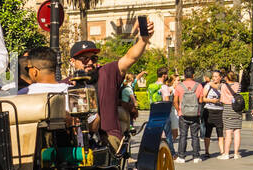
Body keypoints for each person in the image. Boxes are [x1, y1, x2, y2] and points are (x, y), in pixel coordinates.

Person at [67, 19, 153, 153]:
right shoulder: (65, 84)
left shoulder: (107, 72)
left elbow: (130, 58)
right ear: (73, 61)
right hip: (73, 139)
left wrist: (143, 40)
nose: (89, 62)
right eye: (84, 59)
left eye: (93, 59)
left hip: (108, 137)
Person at [175, 67, 205, 162]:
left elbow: (175, 101)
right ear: (193, 75)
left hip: (183, 114)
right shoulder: (199, 86)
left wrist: (179, 110)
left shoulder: (179, 86)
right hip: (195, 114)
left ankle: (181, 156)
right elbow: (201, 100)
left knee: (183, 135)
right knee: (195, 136)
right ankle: (196, 156)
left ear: (184, 75)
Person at [148, 66, 178, 150]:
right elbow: (167, 102)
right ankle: (172, 153)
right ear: (164, 75)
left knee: (157, 135)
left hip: (154, 113)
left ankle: (156, 152)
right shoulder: (164, 87)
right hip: (163, 114)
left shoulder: (151, 86)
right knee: (168, 136)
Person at [218, 69, 243, 159]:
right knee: (237, 131)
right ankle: (236, 153)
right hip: (237, 109)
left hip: (228, 108)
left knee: (228, 132)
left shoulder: (223, 86)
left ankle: (226, 153)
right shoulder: (238, 85)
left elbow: (221, 99)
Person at [201, 69, 224, 157]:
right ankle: (207, 151)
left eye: (216, 77)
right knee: (208, 131)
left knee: (220, 131)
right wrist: (212, 100)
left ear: (220, 78)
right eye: (213, 76)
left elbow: (225, 98)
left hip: (219, 111)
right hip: (209, 110)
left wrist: (220, 100)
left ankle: (222, 151)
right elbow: (203, 98)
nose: (214, 78)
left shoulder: (223, 86)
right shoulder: (208, 86)